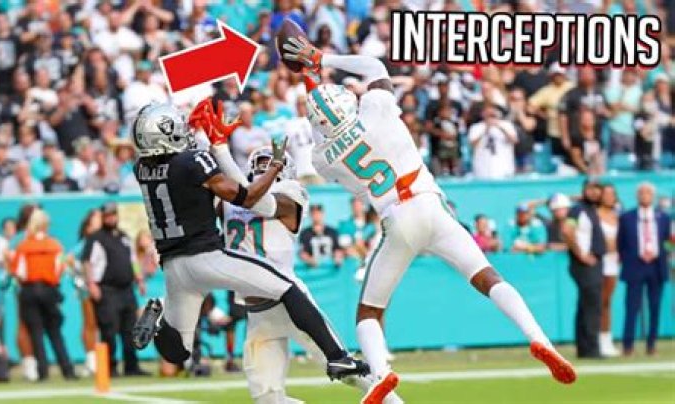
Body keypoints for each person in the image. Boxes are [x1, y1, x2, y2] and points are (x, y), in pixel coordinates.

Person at [281, 39, 576, 402]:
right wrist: (321, 59)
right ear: (349, 102)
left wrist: (311, 86)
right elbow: (374, 67)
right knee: (487, 277)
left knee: (369, 311)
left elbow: (324, 133)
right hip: (430, 205)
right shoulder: (375, 108)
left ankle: (381, 373)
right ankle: (539, 339)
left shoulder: (323, 157)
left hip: (396, 218)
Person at [129, 102, 368, 383]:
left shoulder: (140, 168)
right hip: (206, 258)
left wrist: (215, 147)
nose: (185, 132)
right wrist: (274, 166)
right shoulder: (193, 162)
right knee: (288, 286)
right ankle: (338, 357)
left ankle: (159, 320)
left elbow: (184, 178)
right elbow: (249, 197)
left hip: (173, 268)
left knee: (178, 352)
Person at [198, 106, 402, 403]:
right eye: (259, 164)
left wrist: (220, 149)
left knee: (348, 371)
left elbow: (257, 202)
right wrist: (205, 141)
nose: (264, 168)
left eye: (270, 163)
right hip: (257, 313)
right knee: (267, 399)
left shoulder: (291, 193)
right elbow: (224, 186)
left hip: (290, 302)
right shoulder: (231, 199)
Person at [81, 202, 149, 377]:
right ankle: (109, 367)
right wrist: (91, 284)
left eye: (113, 215)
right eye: (108, 215)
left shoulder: (124, 237)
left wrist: (139, 278)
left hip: (126, 289)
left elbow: (133, 260)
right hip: (107, 290)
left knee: (130, 330)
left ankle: (131, 366)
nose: (111, 218)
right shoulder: (95, 238)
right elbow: (87, 262)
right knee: (109, 331)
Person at [9, 209, 77, 380]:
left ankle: (43, 372)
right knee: (55, 332)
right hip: (49, 290)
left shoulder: (23, 246)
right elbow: (59, 270)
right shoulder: (55, 245)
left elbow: (18, 273)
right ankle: (67, 370)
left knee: (36, 333)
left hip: (29, 291)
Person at [617, 182, 671, 356]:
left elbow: (668, 242)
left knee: (655, 307)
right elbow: (621, 243)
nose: (644, 195)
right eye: (641, 192)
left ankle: (651, 344)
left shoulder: (664, 217)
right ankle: (628, 345)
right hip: (635, 266)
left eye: (648, 192)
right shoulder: (627, 217)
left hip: (656, 266)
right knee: (631, 307)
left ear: (653, 196)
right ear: (637, 195)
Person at [563, 180, 607, 358]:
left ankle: (584, 348)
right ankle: (592, 349)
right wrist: (581, 254)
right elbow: (567, 231)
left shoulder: (590, 210)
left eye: (598, 189)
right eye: (591, 188)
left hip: (592, 264)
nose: (595, 192)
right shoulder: (578, 209)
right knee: (592, 306)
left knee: (585, 306)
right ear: (584, 190)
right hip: (585, 265)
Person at [69, 209, 102, 376]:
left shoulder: (103, 241)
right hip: (86, 288)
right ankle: (91, 360)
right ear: (88, 227)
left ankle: (99, 360)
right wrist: (79, 277)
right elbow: (67, 259)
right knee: (90, 323)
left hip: (104, 287)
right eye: (96, 219)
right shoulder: (84, 244)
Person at [597, 184, 621, 357]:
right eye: (606, 194)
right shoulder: (595, 214)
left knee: (607, 303)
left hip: (613, 263)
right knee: (598, 302)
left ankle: (606, 340)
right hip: (599, 262)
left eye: (612, 194)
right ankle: (596, 340)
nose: (609, 197)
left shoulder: (617, 216)